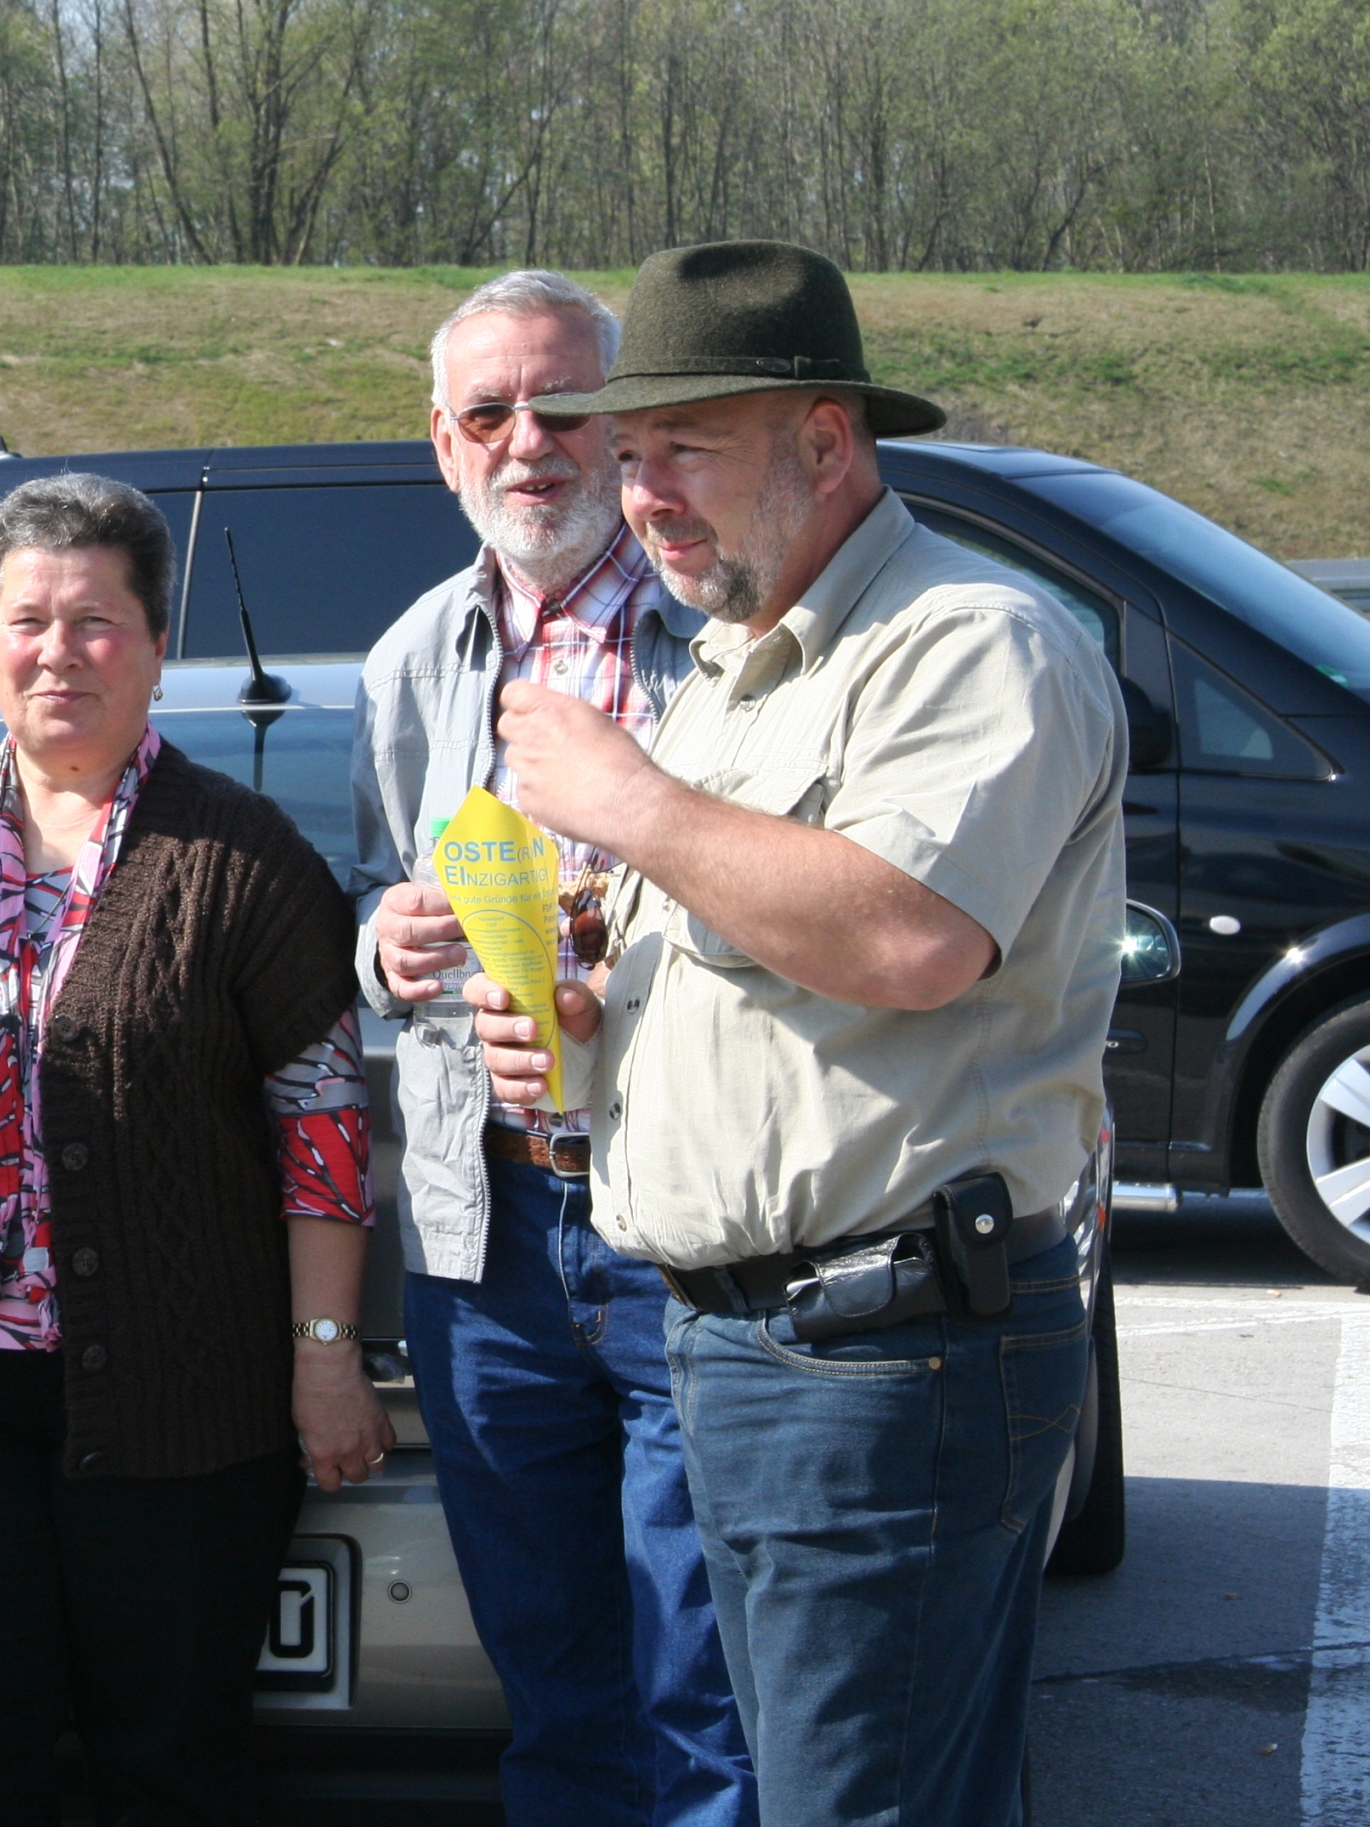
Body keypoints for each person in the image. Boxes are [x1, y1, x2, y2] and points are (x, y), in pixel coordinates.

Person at [477, 240, 1124, 1827]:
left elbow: (908, 932)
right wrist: (577, 1022)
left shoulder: (974, 640)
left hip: (887, 1356)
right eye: (629, 458)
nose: (642, 495)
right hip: (736, 1346)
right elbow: (726, 943)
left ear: (826, 442)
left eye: (683, 444)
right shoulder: (730, 673)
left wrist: (629, 799)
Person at [0, 472, 395, 1825]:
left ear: (156, 645)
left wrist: (322, 1360)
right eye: (27, 619)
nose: (59, 652)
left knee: (171, 1774)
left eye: (96, 621)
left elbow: (325, 1126)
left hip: (183, 1415)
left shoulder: (241, 854)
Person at [350, 270, 754, 1827]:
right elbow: (365, 901)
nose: (529, 443)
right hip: (487, 1232)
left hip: (682, 1213)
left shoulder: (721, 628)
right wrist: (379, 950)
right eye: (487, 413)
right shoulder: (407, 662)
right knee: (555, 1686)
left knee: (702, 1686)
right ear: (440, 445)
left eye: (561, 405)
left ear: (622, 422)